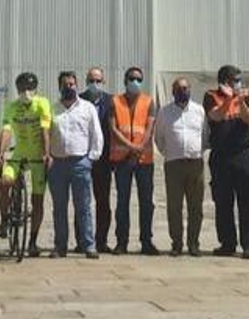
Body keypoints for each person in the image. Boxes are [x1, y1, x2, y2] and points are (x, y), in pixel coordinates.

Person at [47, 71, 104, 258]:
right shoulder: (52, 109)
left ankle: (89, 245)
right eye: (65, 84)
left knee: (84, 207)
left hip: (80, 163)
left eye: (72, 84)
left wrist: (91, 159)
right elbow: (45, 135)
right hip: (58, 164)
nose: (69, 87)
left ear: (77, 85)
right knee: (59, 208)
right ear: (59, 87)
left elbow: (96, 135)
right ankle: (60, 246)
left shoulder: (87, 108)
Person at [205, 64, 249, 258]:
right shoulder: (211, 96)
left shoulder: (244, 97)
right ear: (225, 81)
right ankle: (227, 243)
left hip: (242, 154)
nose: (239, 83)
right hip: (221, 155)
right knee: (223, 200)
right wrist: (229, 99)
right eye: (235, 80)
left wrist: (241, 101)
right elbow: (216, 116)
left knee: (248, 200)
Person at [0, 71, 51, 257]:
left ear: (35, 89)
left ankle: (33, 241)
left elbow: (45, 130)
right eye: (21, 89)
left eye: (29, 88)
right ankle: (4, 219)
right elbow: (6, 131)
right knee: (5, 183)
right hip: (19, 154)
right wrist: (0, 153)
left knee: (37, 201)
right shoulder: (11, 106)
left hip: (37, 155)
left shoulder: (42, 103)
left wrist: (46, 153)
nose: (25, 92)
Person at [153, 76, 206, 256]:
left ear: (190, 90)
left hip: (195, 163)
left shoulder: (199, 111)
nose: (182, 91)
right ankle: (177, 243)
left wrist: (197, 151)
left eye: (185, 88)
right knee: (174, 206)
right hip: (173, 164)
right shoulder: (164, 112)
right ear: (173, 91)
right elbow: (159, 138)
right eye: (179, 89)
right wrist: (169, 153)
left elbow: (205, 136)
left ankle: (193, 243)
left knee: (196, 206)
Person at [108, 66, 158, 255]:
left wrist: (139, 147)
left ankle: (147, 241)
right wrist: (131, 146)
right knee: (122, 202)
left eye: (138, 79)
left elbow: (149, 127)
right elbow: (113, 128)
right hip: (122, 159)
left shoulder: (149, 102)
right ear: (125, 81)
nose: (134, 82)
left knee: (146, 202)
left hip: (144, 159)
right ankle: (122, 242)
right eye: (131, 78)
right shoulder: (115, 101)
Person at [82, 67, 114, 251]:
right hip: (83, 158)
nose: (95, 84)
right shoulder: (79, 100)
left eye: (98, 80)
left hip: (103, 160)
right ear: (86, 81)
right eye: (92, 80)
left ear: (103, 81)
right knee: (83, 201)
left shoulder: (111, 101)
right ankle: (83, 241)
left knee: (103, 202)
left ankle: (101, 241)